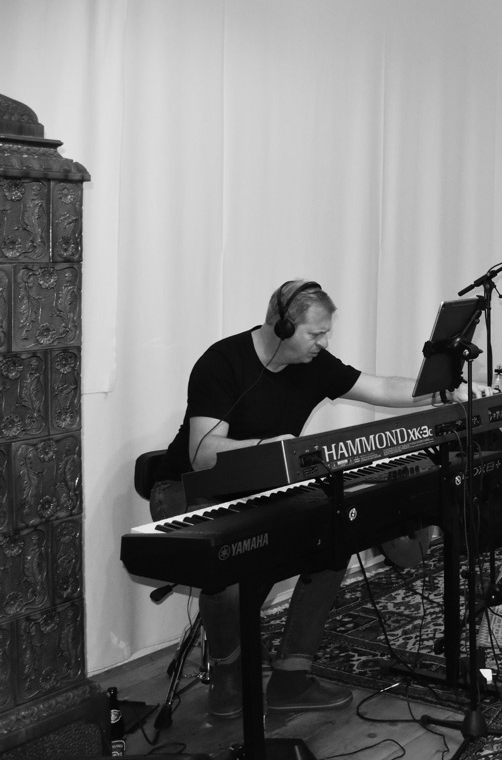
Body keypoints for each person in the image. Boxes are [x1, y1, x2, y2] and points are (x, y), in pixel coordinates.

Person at [149, 279, 484, 720]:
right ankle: (228, 671)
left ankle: (291, 676)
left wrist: (444, 392)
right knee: (229, 573)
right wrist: (270, 447)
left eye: (326, 333)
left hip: (262, 488)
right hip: (188, 489)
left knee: (334, 537)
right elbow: (202, 453)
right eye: (316, 333)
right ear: (283, 327)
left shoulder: (313, 363)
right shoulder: (222, 361)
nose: (323, 343)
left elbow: (381, 387)